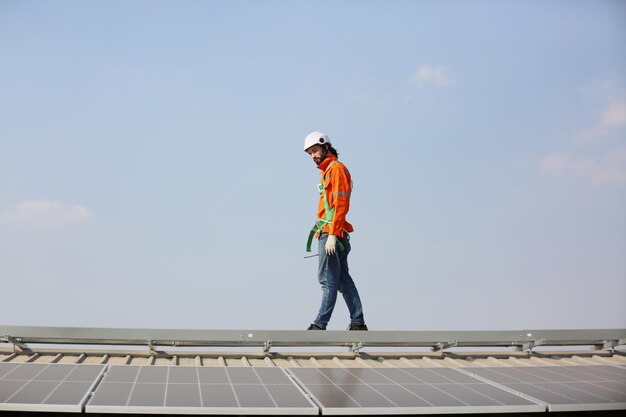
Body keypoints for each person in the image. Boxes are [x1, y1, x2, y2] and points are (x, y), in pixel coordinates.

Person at [303, 131, 367, 331]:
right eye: (310, 153)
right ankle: (358, 322)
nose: (313, 156)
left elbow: (340, 204)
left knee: (327, 279)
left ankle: (320, 324)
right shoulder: (327, 171)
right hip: (332, 232)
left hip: (332, 233)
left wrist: (331, 234)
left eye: (315, 150)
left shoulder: (336, 169)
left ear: (326, 147)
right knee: (341, 280)